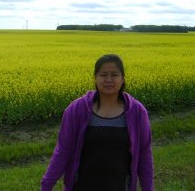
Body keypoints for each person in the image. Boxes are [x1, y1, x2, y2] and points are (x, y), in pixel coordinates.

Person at [41, 54, 153, 191]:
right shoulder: (77, 110)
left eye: (114, 75)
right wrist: (47, 184)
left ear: (123, 79)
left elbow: (144, 154)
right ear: (95, 78)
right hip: (81, 186)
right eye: (103, 75)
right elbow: (63, 150)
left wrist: (148, 188)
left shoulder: (137, 112)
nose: (108, 80)